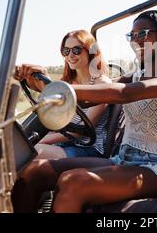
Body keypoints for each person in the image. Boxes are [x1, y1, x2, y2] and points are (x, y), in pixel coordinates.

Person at [11, 10, 157, 213]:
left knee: (72, 182)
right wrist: (41, 85)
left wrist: (59, 89)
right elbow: (93, 95)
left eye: (142, 33)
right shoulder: (136, 75)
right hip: (121, 159)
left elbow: (123, 94)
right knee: (33, 171)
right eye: (131, 35)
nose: (135, 40)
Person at [14, 29, 112, 159]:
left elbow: (82, 129)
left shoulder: (102, 83)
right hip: (65, 142)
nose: (70, 55)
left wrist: (42, 140)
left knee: (28, 151)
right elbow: (51, 113)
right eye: (66, 51)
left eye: (76, 50)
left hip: (89, 148)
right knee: (13, 147)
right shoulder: (67, 82)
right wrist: (30, 81)